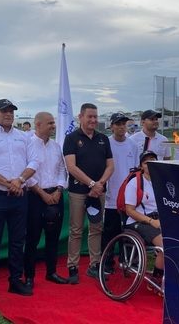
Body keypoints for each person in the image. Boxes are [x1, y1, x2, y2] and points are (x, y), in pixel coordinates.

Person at [0, 99, 39, 300]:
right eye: (4, 111)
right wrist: (9, 184)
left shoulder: (24, 137)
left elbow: (34, 161)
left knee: (17, 241)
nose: (8, 114)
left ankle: (15, 281)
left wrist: (19, 181)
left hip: (19, 195)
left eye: (11, 111)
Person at [63, 103, 114, 283]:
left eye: (95, 117)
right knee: (76, 230)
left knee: (96, 228)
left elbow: (110, 166)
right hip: (78, 192)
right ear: (81, 117)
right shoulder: (71, 138)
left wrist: (99, 184)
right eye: (89, 116)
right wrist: (91, 183)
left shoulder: (103, 138)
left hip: (98, 192)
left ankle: (94, 265)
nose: (93, 120)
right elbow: (71, 167)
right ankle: (73, 267)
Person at [24, 112, 68, 288]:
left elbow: (62, 170)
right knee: (33, 238)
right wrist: (41, 193)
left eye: (54, 123)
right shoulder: (28, 145)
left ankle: (51, 272)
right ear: (38, 124)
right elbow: (25, 172)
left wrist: (58, 190)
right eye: (49, 123)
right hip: (35, 196)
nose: (53, 126)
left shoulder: (56, 147)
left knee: (53, 237)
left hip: (55, 195)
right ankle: (29, 277)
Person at [102, 112, 139, 270]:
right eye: (118, 124)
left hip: (128, 199)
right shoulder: (106, 144)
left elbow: (136, 171)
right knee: (110, 233)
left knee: (129, 232)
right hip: (111, 198)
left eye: (123, 124)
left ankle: (128, 262)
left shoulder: (132, 145)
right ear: (111, 126)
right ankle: (107, 263)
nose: (121, 127)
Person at [125, 150, 163, 294]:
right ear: (141, 166)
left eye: (153, 160)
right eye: (146, 162)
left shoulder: (160, 181)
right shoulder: (135, 183)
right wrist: (150, 221)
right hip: (137, 221)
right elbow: (129, 210)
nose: (150, 164)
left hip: (157, 219)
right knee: (165, 243)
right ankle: (156, 280)